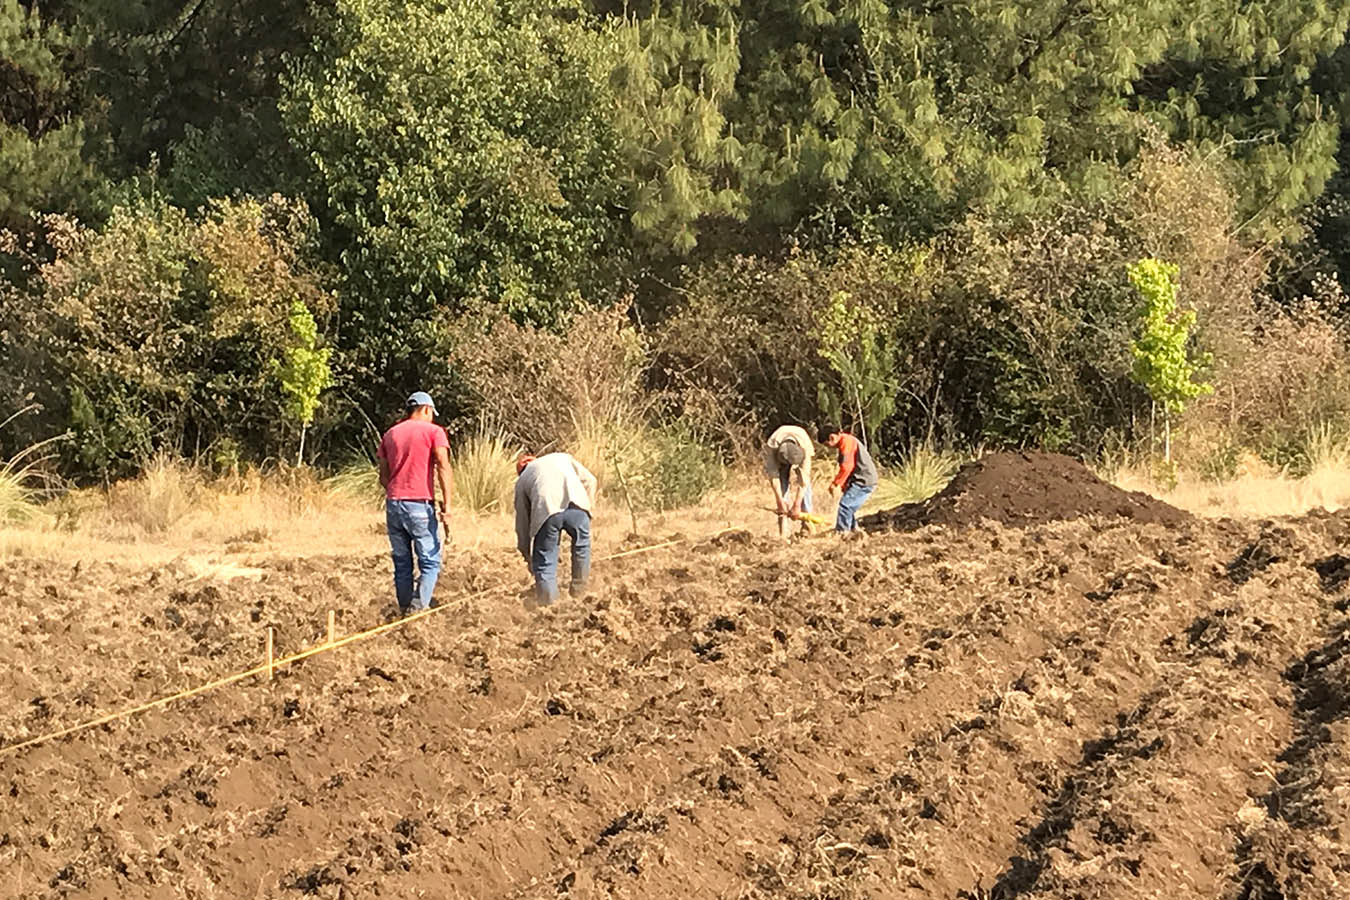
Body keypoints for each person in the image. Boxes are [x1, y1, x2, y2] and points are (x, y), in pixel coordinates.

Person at [377, 391, 452, 615]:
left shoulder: (390, 434)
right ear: (426, 410)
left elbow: (383, 475)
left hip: (393, 504)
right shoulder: (434, 432)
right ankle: (418, 610)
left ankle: (403, 608)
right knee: (429, 561)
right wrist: (447, 506)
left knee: (402, 562)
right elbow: (443, 466)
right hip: (419, 504)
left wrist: (396, 490)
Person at [515, 452, 598, 606]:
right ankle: (580, 596)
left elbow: (522, 522)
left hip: (547, 511)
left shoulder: (522, 480)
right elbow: (590, 480)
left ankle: (550, 609)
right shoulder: (561, 458)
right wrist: (589, 509)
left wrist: (526, 552)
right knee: (582, 548)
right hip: (578, 506)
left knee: (545, 563)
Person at [819, 424, 878, 533]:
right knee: (849, 507)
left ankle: (842, 532)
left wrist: (835, 483)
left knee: (845, 505)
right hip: (860, 479)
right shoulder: (846, 441)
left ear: (832, 437)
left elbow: (847, 467)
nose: (829, 448)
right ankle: (853, 530)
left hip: (863, 480)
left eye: (828, 444)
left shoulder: (847, 443)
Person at [763, 424, 814, 539]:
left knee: (806, 486)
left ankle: (807, 525)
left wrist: (797, 504)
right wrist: (780, 501)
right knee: (782, 485)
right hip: (778, 455)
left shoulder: (806, 446)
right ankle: (784, 531)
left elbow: (803, 481)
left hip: (801, 444)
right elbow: (773, 477)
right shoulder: (772, 446)